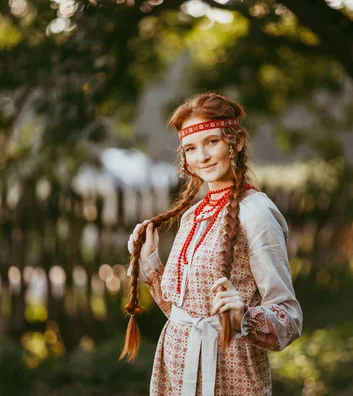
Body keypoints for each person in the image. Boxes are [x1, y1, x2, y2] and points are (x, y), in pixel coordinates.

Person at [121, 92, 303, 396]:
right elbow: (182, 313)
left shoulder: (257, 213)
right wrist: (150, 263)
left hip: (228, 374)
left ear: (237, 142)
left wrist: (243, 317)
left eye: (212, 142)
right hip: (175, 370)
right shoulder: (194, 215)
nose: (202, 156)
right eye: (191, 148)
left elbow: (289, 320)